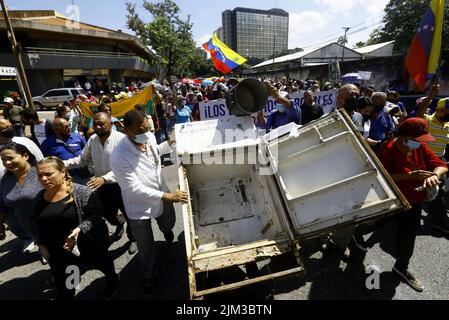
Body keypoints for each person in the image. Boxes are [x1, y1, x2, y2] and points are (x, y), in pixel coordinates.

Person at [352, 118, 447, 292]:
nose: (419, 144)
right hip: (392, 200)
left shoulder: (421, 147)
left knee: (408, 236)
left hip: (413, 202)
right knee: (374, 223)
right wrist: (411, 175)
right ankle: (355, 234)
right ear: (403, 137)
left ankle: (401, 267)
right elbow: (380, 176)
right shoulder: (387, 150)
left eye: (421, 140)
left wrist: (434, 175)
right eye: (416, 140)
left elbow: (440, 165)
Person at [110, 110, 188, 297]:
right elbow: (133, 189)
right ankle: (149, 274)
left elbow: (155, 152)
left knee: (168, 222)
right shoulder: (119, 156)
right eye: (139, 130)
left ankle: (167, 231)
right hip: (138, 207)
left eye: (147, 128)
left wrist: (168, 143)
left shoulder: (148, 137)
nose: (145, 133)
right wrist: (167, 196)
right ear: (126, 129)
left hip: (161, 191)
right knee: (145, 246)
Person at [35, 157, 118, 300]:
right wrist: (41, 244)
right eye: (39, 175)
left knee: (102, 263)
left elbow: (96, 214)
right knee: (67, 286)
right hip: (60, 252)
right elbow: (39, 224)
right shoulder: (39, 197)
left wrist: (80, 229)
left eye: (48, 174)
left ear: (62, 172)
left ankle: (113, 279)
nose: (43, 179)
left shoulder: (82, 192)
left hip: (87, 244)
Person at [64, 112, 137, 254]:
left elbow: (126, 165)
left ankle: (133, 239)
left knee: (130, 215)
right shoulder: (92, 140)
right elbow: (83, 159)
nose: (98, 126)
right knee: (108, 215)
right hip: (102, 187)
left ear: (111, 123)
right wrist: (63, 164)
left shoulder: (122, 140)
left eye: (101, 123)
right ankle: (119, 223)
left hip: (122, 185)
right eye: (95, 123)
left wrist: (105, 178)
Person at [414, 85, 449, 234]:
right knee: (437, 194)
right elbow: (419, 113)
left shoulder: (448, 125)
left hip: (440, 163)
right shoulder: (427, 120)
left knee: (437, 193)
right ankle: (441, 223)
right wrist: (430, 97)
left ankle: (438, 221)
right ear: (440, 110)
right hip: (425, 163)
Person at [0, 143, 43, 257]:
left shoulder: (41, 173)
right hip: (29, 227)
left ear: (25, 156)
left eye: (10, 158)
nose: (7, 163)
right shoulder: (7, 178)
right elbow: (3, 202)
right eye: (3, 160)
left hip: (50, 225)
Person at [41, 118, 88, 183]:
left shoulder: (77, 137)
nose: (69, 128)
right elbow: (46, 162)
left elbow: (87, 152)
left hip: (83, 176)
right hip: (64, 179)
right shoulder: (47, 143)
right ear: (55, 129)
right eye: (65, 127)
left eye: (69, 125)